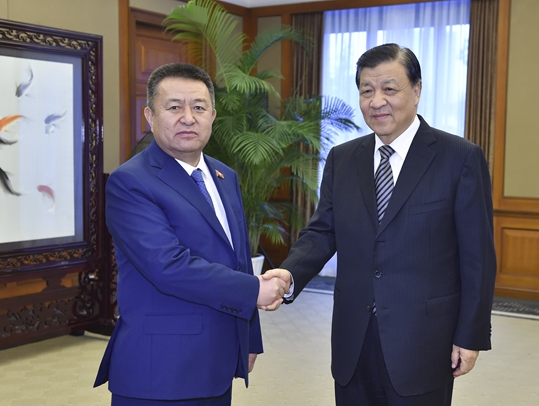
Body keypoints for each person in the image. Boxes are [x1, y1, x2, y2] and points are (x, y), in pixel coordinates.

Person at [265, 43, 496, 405]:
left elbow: (477, 257)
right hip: (353, 340)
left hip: (423, 341)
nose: (376, 101)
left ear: (417, 90)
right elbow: (323, 230)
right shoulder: (343, 158)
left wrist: (471, 334)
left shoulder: (460, 158)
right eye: (366, 90)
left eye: (390, 89)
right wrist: (288, 274)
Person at [94, 62, 289, 405]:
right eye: (174, 107)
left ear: (212, 115)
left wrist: (250, 339)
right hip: (159, 371)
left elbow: (239, 260)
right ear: (150, 116)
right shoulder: (131, 182)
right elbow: (168, 267)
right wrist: (255, 290)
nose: (188, 117)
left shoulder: (223, 176)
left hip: (218, 362)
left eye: (198, 107)